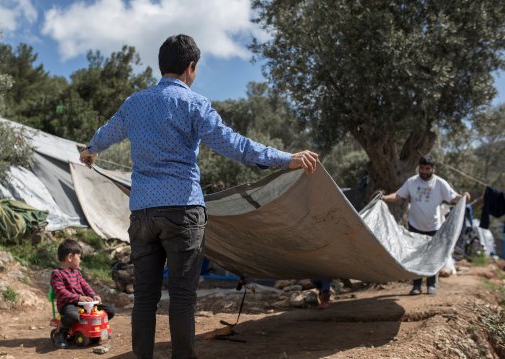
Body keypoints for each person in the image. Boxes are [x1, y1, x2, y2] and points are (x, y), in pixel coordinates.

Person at [79, 34, 319, 359]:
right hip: (183, 211)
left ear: (162, 65)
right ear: (191, 67)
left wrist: (91, 150)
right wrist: (284, 158)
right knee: (181, 296)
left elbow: (106, 133)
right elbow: (234, 145)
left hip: (143, 214)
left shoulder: (134, 103)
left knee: (145, 297)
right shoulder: (194, 104)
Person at [381, 156, 469, 296]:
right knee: (416, 256)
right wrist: (384, 198)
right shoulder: (412, 182)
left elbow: (453, 197)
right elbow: (398, 196)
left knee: (432, 257)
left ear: (433, 169)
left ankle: (431, 284)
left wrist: (463, 196)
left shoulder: (440, 183)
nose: (424, 171)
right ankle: (416, 286)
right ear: (419, 168)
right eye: (422, 168)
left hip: (434, 226)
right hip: (415, 225)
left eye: (427, 168)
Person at [50, 239, 115, 349]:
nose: (80, 260)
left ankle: (98, 330)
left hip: (82, 304)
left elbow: (85, 286)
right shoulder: (57, 274)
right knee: (73, 315)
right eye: (79, 257)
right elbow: (61, 291)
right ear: (70, 257)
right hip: (67, 305)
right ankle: (60, 333)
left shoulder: (76, 273)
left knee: (109, 310)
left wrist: (93, 295)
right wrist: (78, 297)